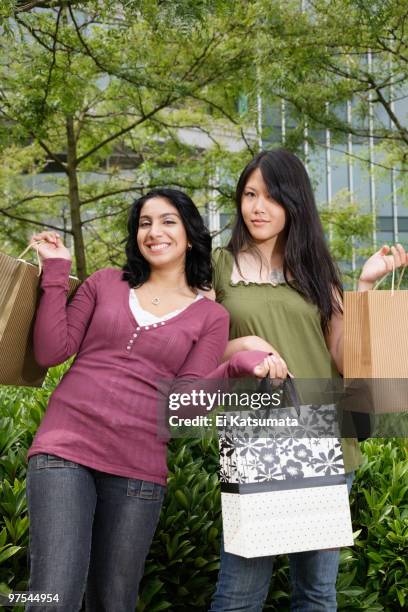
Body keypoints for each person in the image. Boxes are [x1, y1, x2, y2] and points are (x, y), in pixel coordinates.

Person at [25, 188, 273, 612]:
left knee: (114, 601)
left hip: (137, 469)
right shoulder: (105, 282)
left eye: (167, 221)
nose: (153, 231)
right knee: (54, 596)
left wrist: (235, 368)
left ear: (190, 235)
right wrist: (55, 270)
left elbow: (182, 405)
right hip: (64, 450)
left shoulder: (210, 316)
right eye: (144, 223)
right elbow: (51, 351)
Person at [209, 149, 407, 612]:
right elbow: (194, 349)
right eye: (249, 195)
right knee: (239, 594)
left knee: (316, 595)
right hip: (255, 438)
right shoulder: (218, 266)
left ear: (294, 203)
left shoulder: (319, 272)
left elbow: (345, 359)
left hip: (324, 438)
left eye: (271, 197)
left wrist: (365, 287)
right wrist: (244, 346)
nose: (257, 207)